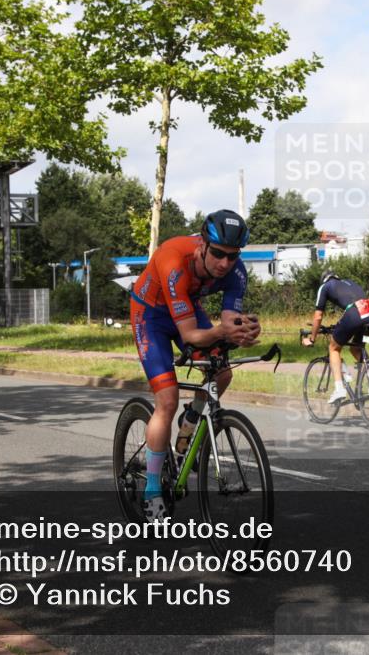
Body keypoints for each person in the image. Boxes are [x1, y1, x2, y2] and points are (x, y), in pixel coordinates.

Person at [128, 209, 260, 521]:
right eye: (218, 254)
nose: (225, 263)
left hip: (186, 308)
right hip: (150, 316)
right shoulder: (174, 260)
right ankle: (152, 489)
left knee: (222, 372)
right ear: (202, 244)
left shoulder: (236, 272)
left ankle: (192, 417)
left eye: (232, 256)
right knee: (167, 399)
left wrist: (242, 330)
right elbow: (189, 335)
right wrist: (221, 332)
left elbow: (228, 321)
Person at [302, 269, 369, 404]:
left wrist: (312, 338)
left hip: (355, 313)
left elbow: (318, 316)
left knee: (333, 348)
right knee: (356, 348)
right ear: (336, 277)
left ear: (324, 280)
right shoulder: (350, 282)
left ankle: (339, 388)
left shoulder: (325, 287)